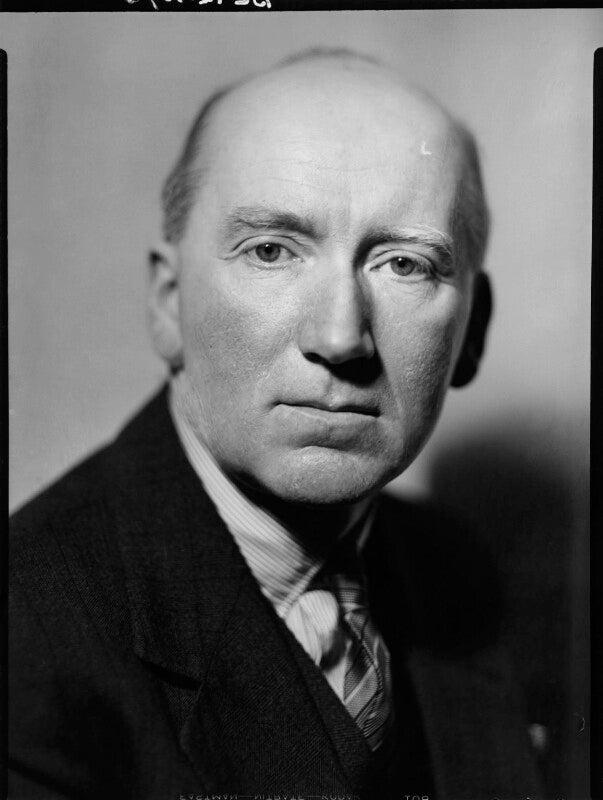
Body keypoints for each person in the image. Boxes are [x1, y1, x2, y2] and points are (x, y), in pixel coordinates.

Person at [9, 48, 544, 799]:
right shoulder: (28, 634)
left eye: (404, 264)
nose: (340, 338)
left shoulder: (460, 571)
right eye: (271, 251)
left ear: (473, 331)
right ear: (168, 303)